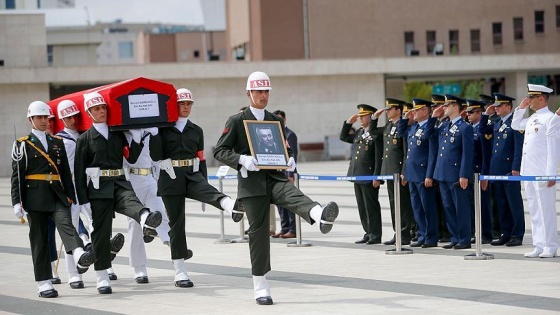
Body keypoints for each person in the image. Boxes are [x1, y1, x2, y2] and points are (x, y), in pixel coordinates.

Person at [214, 71, 339, 305]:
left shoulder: (275, 120)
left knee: (293, 194)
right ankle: (260, 285)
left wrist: (290, 158)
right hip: (251, 184)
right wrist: (242, 160)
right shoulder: (236, 121)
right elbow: (220, 150)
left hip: (274, 176)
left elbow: (284, 147)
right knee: (259, 233)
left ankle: (319, 213)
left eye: (266, 91)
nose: (263, 95)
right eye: (259, 91)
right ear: (248, 93)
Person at [149, 88, 245, 288]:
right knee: (177, 225)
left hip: (192, 175)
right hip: (170, 178)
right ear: (174, 106)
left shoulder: (196, 130)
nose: (185, 107)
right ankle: (180, 271)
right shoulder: (163, 129)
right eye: (182, 104)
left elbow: (200, 158)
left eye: (188, 104)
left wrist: (203, 181)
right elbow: (156, 155)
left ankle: (230, 205)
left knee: (209, 191)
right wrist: (155, 132)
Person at [74, 92, 163, 294]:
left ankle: (146, 218)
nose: (101, 111)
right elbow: (79, 173)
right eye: (96, 109)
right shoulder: (85, 139)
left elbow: (131, 158)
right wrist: (83, 201)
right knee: (101, 232)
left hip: (119, 182)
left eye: (103, 107)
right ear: (89, 112)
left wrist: (139, 138)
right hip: (98, 189)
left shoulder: (117, 133)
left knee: (132, 202)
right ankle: (102, 276)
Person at [11, 101, 95, 298]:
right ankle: (44, 283)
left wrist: (72, 197)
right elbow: (17, 176)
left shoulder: (56, 142)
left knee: (66, 224)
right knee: (39, 240)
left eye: (46, 118)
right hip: (35, 197)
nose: (43, 121)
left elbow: (65, 173)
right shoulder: (22, 144)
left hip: (57, 193)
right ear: (30, 119)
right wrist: (17, 201)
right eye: (39, 118)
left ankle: (78, 254)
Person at [512, 84, 559, 258]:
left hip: (542, 172)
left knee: (545, 209)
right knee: (534, 209)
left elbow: (553, 148)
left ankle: (551, 245)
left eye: (531, 98)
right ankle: (539, 244)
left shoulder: (551, 118)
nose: (529, 100)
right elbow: (515, 125)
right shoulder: (532, 119)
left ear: (541, 98)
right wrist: (520, 109)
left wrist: (551, 173)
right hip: (529, 171)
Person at [479, 94, 525, 246]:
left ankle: (517, 234)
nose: (496, 108)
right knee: (501, 204)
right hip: (496, 170)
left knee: (513, 203)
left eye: (499, 106)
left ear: (508, 107)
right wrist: (486, 114)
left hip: (509, 169)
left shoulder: (515, 123)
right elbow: (482, 129)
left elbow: (518, 148)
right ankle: (505, 233)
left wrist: (516, 167)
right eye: (496, 106)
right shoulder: (497, 122)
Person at [432, 95, 474, 250]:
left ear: (456, 107)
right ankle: (454, 237)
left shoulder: (465, 128)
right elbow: (430, 135)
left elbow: (467, 154)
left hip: (456, 175)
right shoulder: (444, 126)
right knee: (448, 207)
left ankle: (464, 238)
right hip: (442, 173)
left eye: (447, 105)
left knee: (460, 207)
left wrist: (464, 175)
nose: (443, 108)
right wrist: (433, 118)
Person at [371, 98, 415, 246]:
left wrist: (404, 171)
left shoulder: (403, 126)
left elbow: (405, 151)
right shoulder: (388, 126)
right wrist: (374, 118)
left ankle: (406, 233)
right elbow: (373, 132)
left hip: (398, 172)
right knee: (393, 203)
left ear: (398, 110)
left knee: (402, 204)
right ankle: (398, 232)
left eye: (390, 109)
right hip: (389, 171)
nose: (387, 111)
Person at [340, 104, 383, 245]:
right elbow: (344, 137)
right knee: (362, 207)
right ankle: (367, 232)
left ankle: (375, 234)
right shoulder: (359, 132)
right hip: (357, 174)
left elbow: (378, 156)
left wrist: (377, 176)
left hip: (369, 175)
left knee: (371, 206)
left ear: (371, 117)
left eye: (363, 116)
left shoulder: (375, 134)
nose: (360, 118)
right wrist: (348, 122)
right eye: (359, 116)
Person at [398, 99, 439, 248]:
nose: (413, 112)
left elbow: (432, 154)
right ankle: (422, 235)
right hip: (412, 174)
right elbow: (400, 132)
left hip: (423, 174)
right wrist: (404, 118)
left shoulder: (430, 127)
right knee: (417, 207)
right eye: (413, 110)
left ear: (425, 111)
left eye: (416, 110)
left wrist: (429, 175)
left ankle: (431, 236)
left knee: (428, 207)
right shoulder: (413, 128)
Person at [464, 100, 494, 244]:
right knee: (471, 205)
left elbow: (486, 155)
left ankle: (486, 234)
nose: (468, 114)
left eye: (471, 112)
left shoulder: (483, 130)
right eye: (467, 112)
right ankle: (474, 232)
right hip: (470, 173)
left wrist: (485, 175)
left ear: (479, 113)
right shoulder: (469, 129)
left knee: (483, 205)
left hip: (479, 172)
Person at [271, 110, 298, 239]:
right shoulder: (274, 135)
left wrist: (290, 174)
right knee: (280, 203)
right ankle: (285, 228)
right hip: (277, 174)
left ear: (285, 120)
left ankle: (293, 229)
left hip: (288, 174)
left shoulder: (290, 134)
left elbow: (293, 155)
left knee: (289, 202)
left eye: (280, 119)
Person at [431, 94, 451, 243]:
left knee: (450, 206)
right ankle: (445, 233)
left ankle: (451, 233)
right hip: (438, 170)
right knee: (442, 205)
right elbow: (429, 135)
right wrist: (433, 118)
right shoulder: (439, 124)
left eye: (440, 106)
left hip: (450, 171)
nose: (437, 109)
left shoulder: (451, 124)